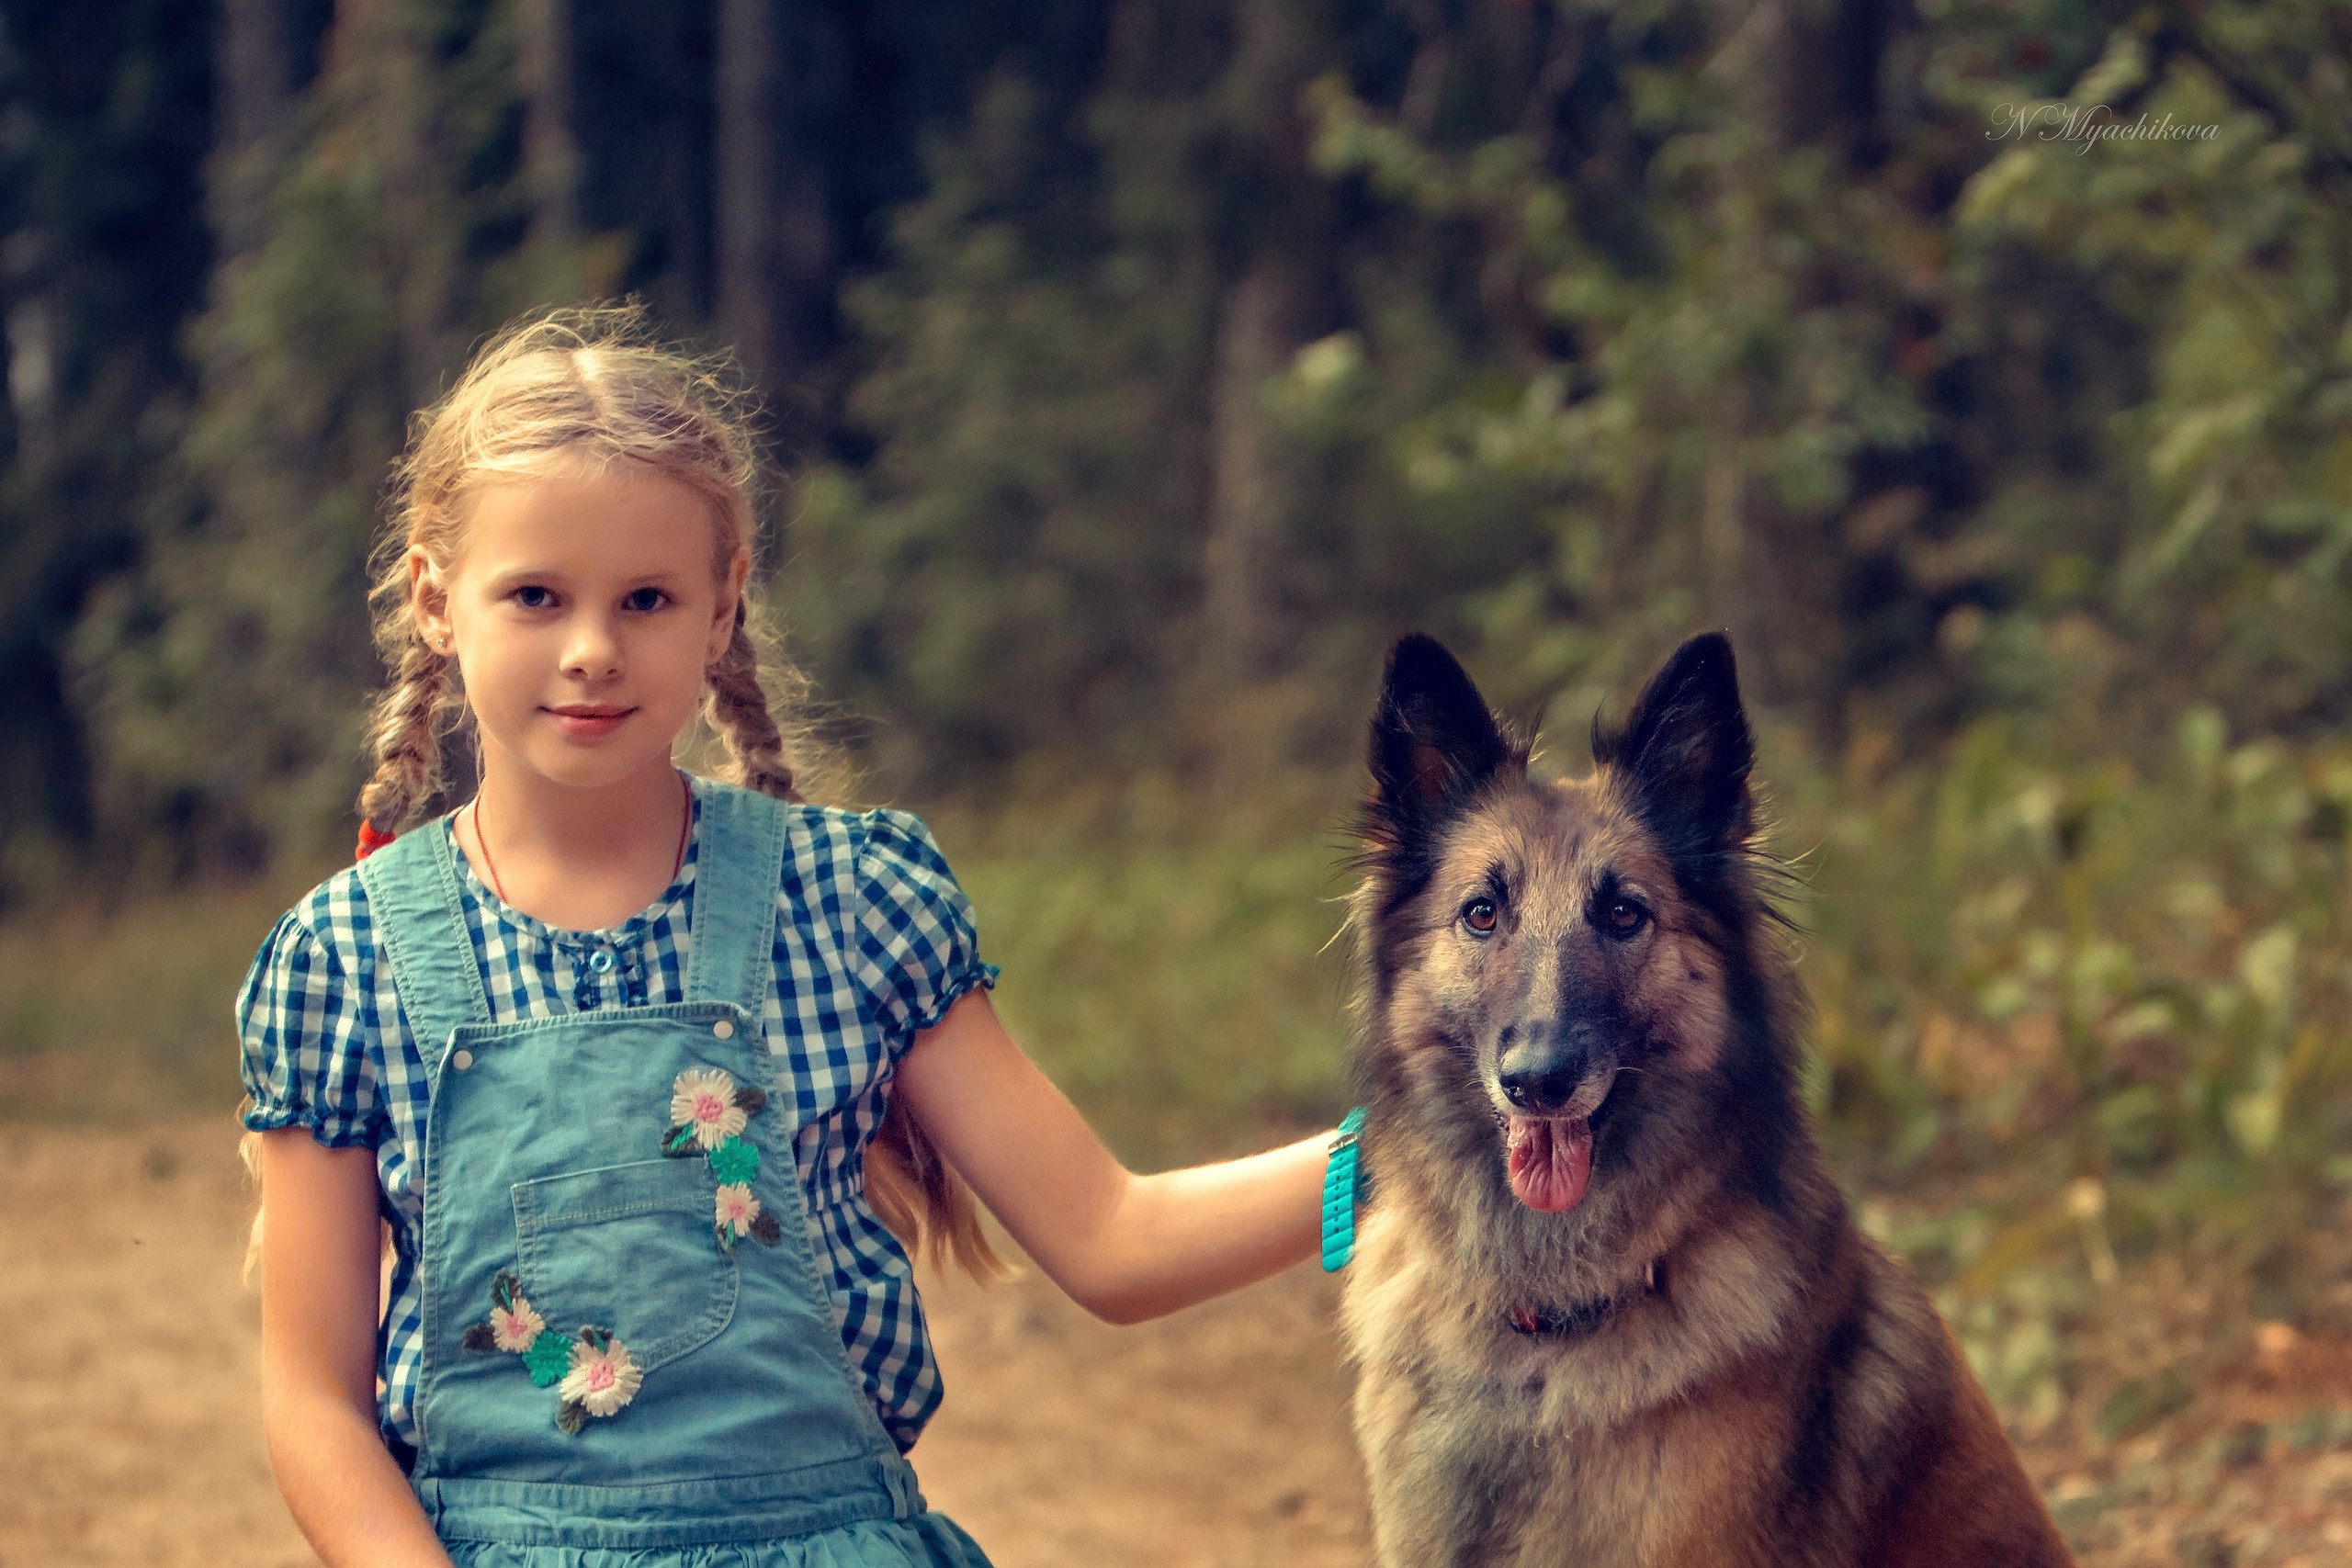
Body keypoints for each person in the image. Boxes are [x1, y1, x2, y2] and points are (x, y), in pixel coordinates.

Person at [237, 305, 1335, 1566]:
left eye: (646, 598)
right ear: (438, 602)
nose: (592, 650)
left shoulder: (852, 904)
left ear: (722, 608)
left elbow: (1113, 1241)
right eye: (535, 595)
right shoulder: (340, 959)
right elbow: (312, 1403)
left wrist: (1414, 1152)